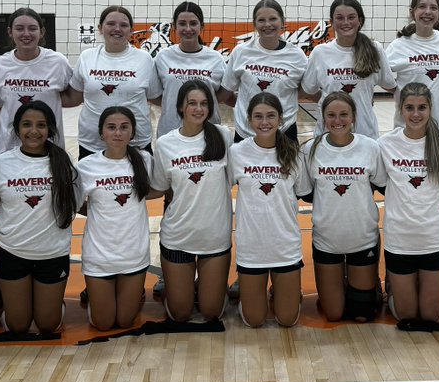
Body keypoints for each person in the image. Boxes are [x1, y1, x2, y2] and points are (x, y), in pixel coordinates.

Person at [0, 101, 80, 335]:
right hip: (13, 251)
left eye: (41, 125)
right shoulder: (0, 164)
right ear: (17, 128)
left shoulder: (63, 162)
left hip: (52, 253)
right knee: (18, 326)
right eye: (27, 124)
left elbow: (75, 202)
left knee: (47, 325)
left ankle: (45, 301)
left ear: (50, 129)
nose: (34, 131)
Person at [377, 82, 439, 329]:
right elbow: (381, 183)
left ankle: (424, 288)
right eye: (409, 107)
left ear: (431, 109)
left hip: (433, 237)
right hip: (400, 238)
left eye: (422, 107)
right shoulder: (386, 144)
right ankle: (395, 285)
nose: (415, 114)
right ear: (400, 109)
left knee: (431, 316)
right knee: (407, 315)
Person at [150, 81, 233, 322]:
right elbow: (160, 187)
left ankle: (210, 291)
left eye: (204, 103)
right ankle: (184, 289)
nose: (198, 109)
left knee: (210, 312)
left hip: (214, 239)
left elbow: (235, 179)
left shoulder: (223, 136)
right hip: (178, 237)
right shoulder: (166, 143)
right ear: (180, 108)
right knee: (181, 313)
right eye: (192, 103)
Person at [227, 92, 311, 328]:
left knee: (287, 319)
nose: (265, 122)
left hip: (284, 244)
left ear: (281, 119)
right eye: (258, 116)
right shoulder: (237, 152)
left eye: (271, 116)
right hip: (252, 246)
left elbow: (301, 191)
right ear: (249, 120)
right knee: (254, 320)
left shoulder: (294, 153)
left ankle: (288, 291)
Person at [300, 93, 383, 322]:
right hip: (327, 240)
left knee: (361, 316)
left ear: (354, 117)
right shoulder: (310, 150)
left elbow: (380, 184)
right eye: (331, 115)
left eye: (344, 114)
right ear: (323, 118)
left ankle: (369, 285)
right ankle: (341, 285)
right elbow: (307, 193)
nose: (338, 120)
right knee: (334, 314)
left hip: (362, 238)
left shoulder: (370, 148)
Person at [76, 106, 159, 330]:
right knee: (103, 323)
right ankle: (100, 299)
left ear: (132, 132)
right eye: (111, 128)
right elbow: (74, 203)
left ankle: (126, 296)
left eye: (124, 128)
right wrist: (99, 211)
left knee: (124, 321)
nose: (118, 133)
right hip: (99, 254)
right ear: (101, 133)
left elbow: (157, 189)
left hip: (133, 253)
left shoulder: (144, 160)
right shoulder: (86, 166)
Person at [65, 6, 162, 160]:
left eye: (123, 25)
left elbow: (156, 97)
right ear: (100, 28)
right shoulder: (86, 57)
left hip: (135, 142)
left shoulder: (144, 59)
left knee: (141, 184)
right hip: (93, 143)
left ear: (131, 30)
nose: (117, 29)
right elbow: (74, 97)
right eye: (110, 24)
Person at [302, 0, 395, 138]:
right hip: (328, 133)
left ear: (360, 21)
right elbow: (308, 90)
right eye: (339, 18)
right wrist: (329, 102)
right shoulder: (320, 53)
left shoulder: (375, 49)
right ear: (332, 22)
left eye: (351, 17)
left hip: (365, 134)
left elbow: (390, 85)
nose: (346, 22)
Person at [219, 0, 308, 143]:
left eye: (273, 19)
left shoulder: (297, 56)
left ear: (282, 21)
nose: (267, 24)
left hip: (284, 131)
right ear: (254, 24)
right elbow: (225, 92)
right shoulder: (241, 52)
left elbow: (306, 90)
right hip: (246, 132)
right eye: (261, 20)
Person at [0, 8, 74, 154]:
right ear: (10, 32)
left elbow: (71, 97)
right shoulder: (0, 64)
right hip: (9, 148)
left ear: (41, 32)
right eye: (19, 28)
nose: (26, 34)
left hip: (49, 147)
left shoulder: (58, 62)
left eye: (32, 28)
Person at [387, 0, 439, 136]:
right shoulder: (399, 45)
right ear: (412, 12)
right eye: (422, 6)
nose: (428, 11)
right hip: (408, 125)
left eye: (433, 8)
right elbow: (378, 74)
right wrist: (397, 90)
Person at [153, 2, 226, 139]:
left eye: (193, 23)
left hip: (207, 132)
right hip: (171, 131)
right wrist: (174, 101)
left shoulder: (216, 59)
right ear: (174, 26)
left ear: (202, 26)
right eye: (182, 24)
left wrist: (206, 101)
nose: (188, 28)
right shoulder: (162, 57)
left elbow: (224, 92)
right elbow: (154, 94)